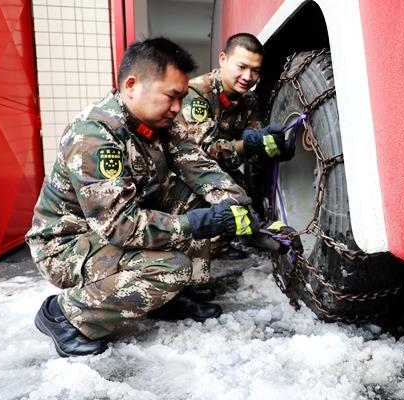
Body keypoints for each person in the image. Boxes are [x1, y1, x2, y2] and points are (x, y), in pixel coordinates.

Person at [26, 37, 301, 357]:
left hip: (113, 227)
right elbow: (121, 227)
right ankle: (66, 314)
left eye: (181, 97)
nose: (177, 108)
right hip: (67, 244)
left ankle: (175, 295)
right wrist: (200, 223)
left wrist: (241, 211)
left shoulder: (161, 125)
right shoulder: (93, 136)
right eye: (170, 96)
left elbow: (199, 167)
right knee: (170, 268)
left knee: (202, 196)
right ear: (132, 85)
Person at [171, 33, 294, 262]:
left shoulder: (248, 100)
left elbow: (255, 149)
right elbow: (200, 156)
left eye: (255, 70)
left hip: (217, 170)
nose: (248, 76)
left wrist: (277, 149)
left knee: (241, 181)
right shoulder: (198, 94)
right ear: (223, 59)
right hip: (185, 174)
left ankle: (223, 243)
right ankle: (192, 258)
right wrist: (250, 144)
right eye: (242, 66)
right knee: (210, 186)